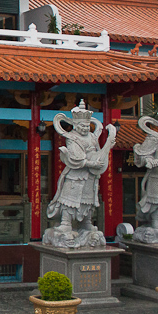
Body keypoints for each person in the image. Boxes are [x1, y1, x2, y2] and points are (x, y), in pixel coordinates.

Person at [47, 100, 116, 235]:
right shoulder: (72, 138)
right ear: (75, 125)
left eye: (87, 126)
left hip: (90, 176)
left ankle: (86, 222)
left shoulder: (92, 137)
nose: (85, 128)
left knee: (88, 201)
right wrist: (91, 163)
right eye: (82, 126)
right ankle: (65, 223)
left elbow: (97, 153)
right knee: (69, 199)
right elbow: (76, 157)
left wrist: (107, 148)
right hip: (75, 174)